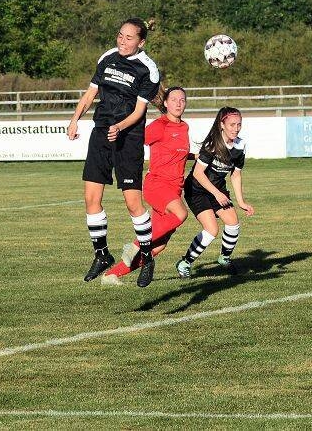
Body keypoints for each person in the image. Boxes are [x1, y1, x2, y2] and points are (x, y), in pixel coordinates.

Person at [67, 17, 160, 287]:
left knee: (133, 203)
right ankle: (102, 254)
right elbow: (90, 94)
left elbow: (139, 111)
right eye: (120, 35)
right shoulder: (107, 58)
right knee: (91, 198)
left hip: (128, 137)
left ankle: (146, 257)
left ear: (141, 42)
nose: (122, 41)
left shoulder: (148, 69)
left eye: (129, 38)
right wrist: (75, 120)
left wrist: (119, 127)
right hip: (101, 133)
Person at [101, 86, 191, 286]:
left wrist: (197, 156)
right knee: (181, 214)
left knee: (157, 247)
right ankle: (134, 245)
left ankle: (111, 275)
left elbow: (177, 153)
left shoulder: (184, 127)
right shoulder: (159, 125)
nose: (178, 103)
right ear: (165, 103)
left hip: (175, 189)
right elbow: (134, 141)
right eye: (174, 99)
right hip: (157, 185)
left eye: (182, 100)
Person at [175, 106, 254, 277]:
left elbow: (236, 174)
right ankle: (185, 262)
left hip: (217, 189)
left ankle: (224, 258)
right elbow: (198, 173)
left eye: (239, 124)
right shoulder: (212, 144)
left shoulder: (240, 145)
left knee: (233, 223)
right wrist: (217, 194)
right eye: (232, 124)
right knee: (212, 230)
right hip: (196, 189)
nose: (236, 128)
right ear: (222, 125)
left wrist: (241, 202)